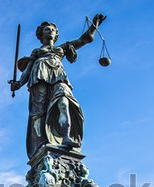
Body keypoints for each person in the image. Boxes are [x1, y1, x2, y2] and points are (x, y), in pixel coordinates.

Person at [10, 14, 106, 159]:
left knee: (64, 101)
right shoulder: (36, 52)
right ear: (41, 34)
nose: (50, 31)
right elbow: (28, 70)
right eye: (47, 30)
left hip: (58, 75)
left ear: (56, 35)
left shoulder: (63, 48)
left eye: (53, 30)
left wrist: (93, 27)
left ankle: (66, 136)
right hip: (39, 76)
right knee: (40, 111)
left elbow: (83, 40)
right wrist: (18, 83)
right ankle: (41, 142)